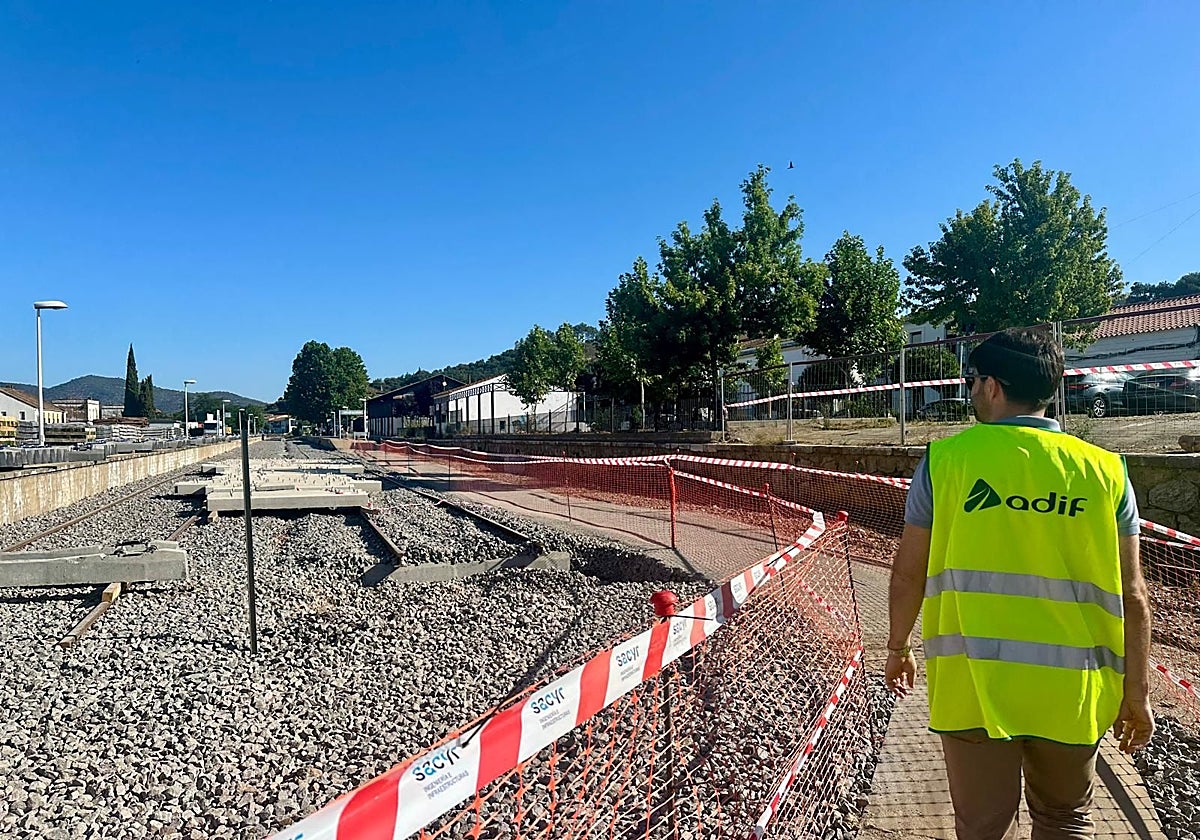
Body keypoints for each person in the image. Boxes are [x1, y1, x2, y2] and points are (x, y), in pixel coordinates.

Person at [885, 327, 1155, 840]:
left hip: (974, 684)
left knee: (983, 825)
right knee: (1064, 819)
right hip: (1072, 689)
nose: (970, 392)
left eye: (972, 381)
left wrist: (898, 645)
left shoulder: (945, 463)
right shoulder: (1105, 472)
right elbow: (1134, 594)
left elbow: (907, 571)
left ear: (991, 386)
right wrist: (1136, 691)